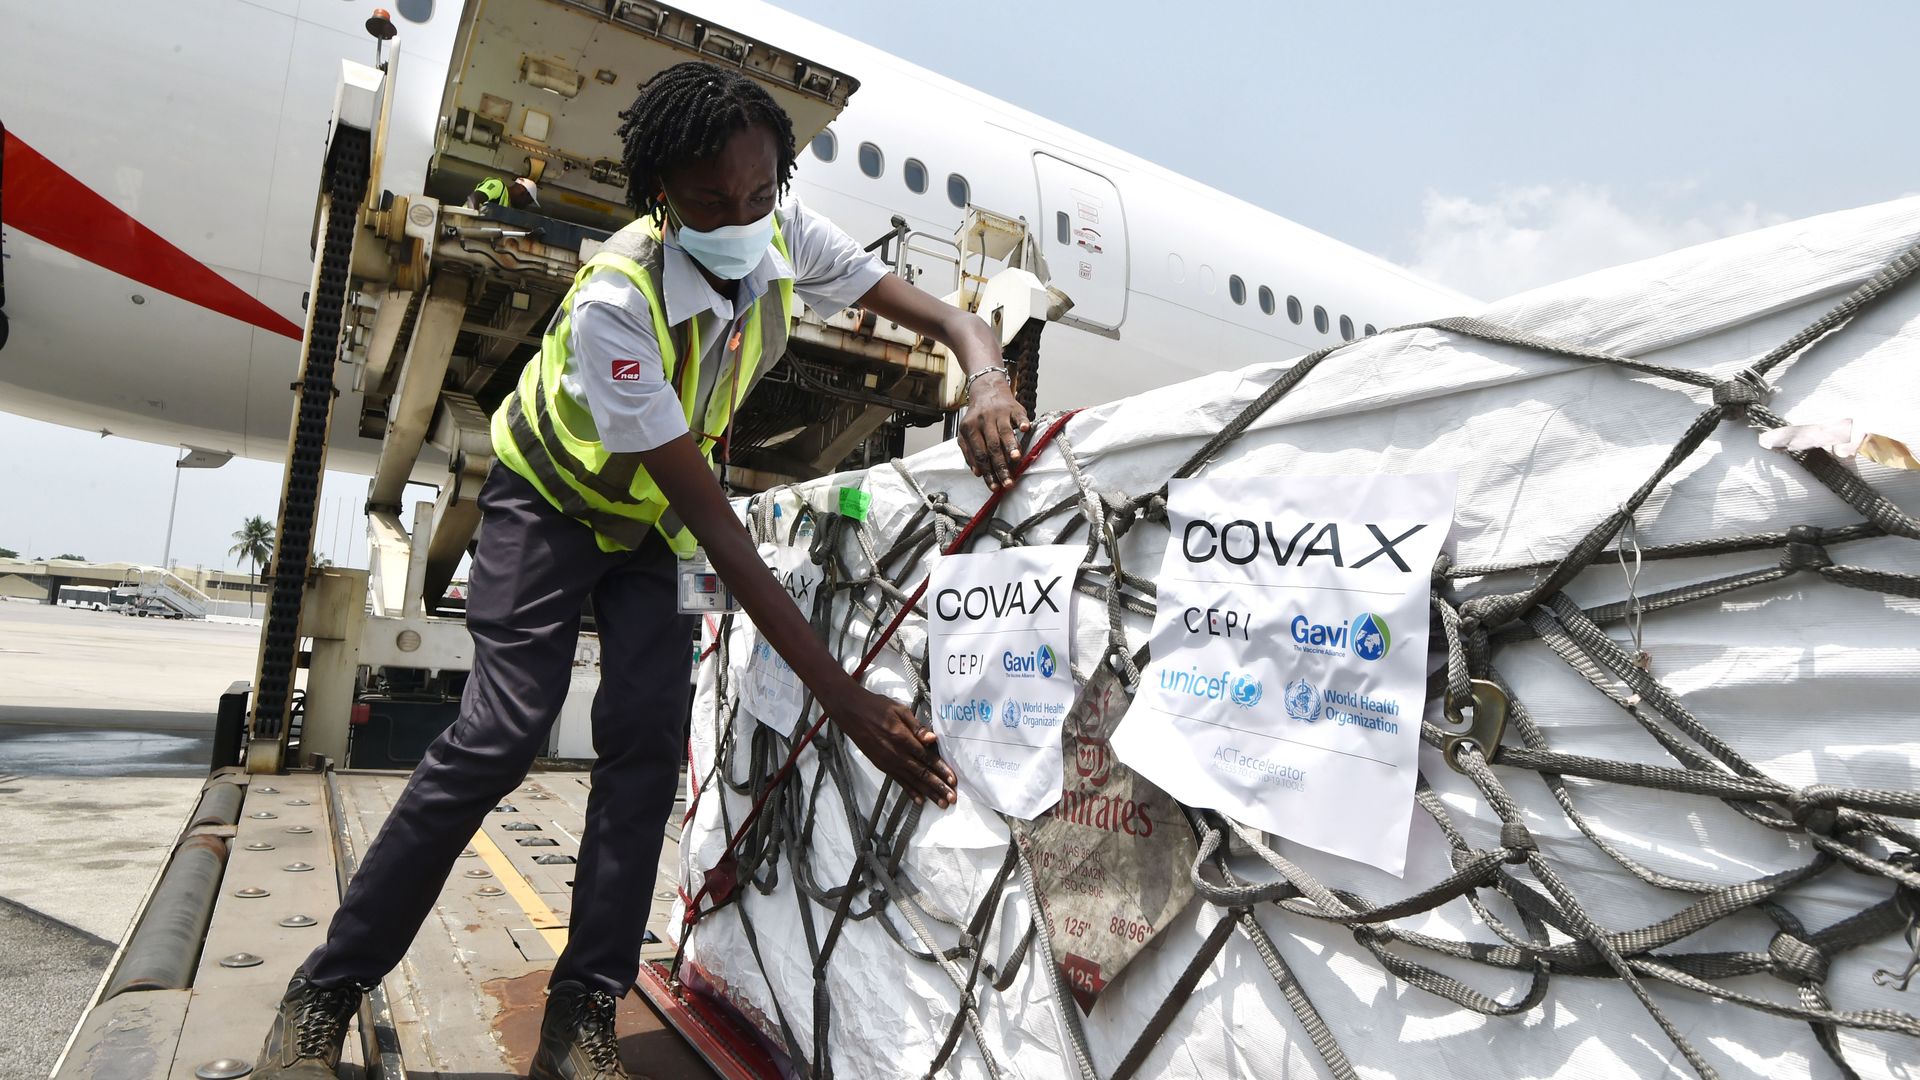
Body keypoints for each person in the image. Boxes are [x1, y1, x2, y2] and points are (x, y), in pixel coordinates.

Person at [253, 61, 1030, 1080]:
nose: (744, 218)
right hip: (556, 502)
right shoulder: (615, 305)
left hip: (658, 521)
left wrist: (984, 374)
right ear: (662, 197)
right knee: (500, 733)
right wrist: (843, 701)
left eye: (761, 195)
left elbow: (952, 320)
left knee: (645, 748)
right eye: (714, 201)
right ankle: (326, 990)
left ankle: (582, 1017)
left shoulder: (787, 240)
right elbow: (721, 531)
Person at [467, 174, 541, 211]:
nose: (525, 206)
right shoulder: (498, 186)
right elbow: (473, 199)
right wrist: (474, 221)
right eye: (527, 202)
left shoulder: (506, 204)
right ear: (522, 190)